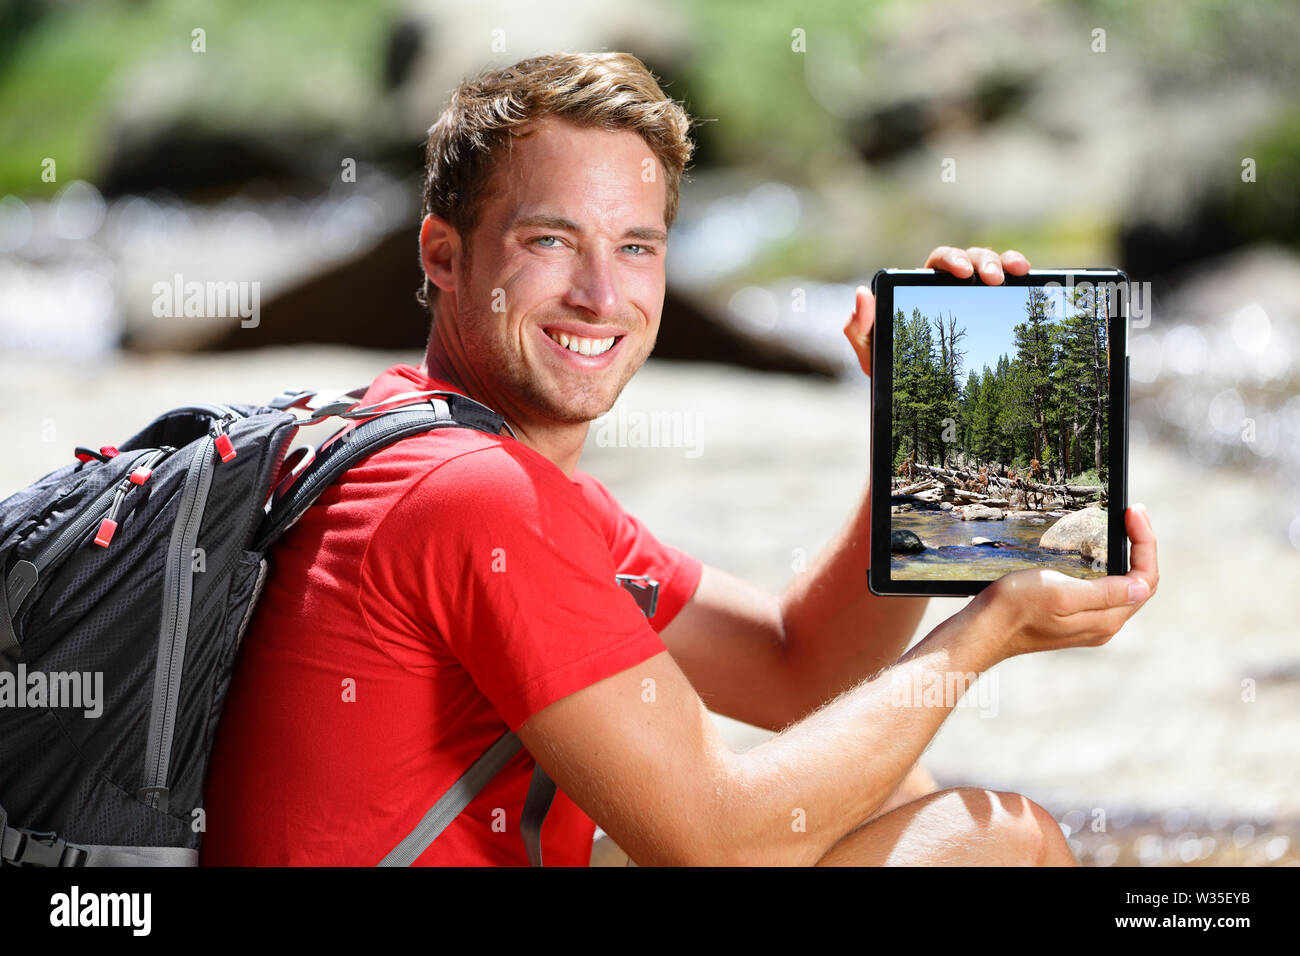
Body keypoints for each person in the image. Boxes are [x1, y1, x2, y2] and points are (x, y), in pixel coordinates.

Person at [200, 51, 1158, 867]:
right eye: (550, 241)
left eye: (636, 246)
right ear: (442, 257)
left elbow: (798, 671)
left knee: (880, 769)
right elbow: (721, 842)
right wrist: (986, 634)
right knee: (1005, 840)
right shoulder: (475, 497)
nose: (600, 294)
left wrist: (920, 450)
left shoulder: (429, 442)